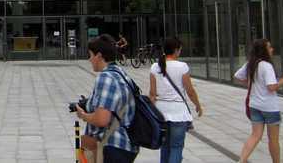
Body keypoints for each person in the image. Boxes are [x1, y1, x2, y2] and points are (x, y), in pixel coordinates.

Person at [75, 34, 139, 163]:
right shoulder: (120, 73)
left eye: (90, 55)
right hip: (125, 146)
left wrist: (83, 115)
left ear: (99, 56)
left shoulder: (106, 78)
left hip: (112, 146)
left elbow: (102, 120)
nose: (89, 60)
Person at [234, 39, 283, 163]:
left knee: (255, 135)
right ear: (263, 50)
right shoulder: (266, 66)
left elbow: (237, 76)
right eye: (269, 47)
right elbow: (272, 87)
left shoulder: (251, 63)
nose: (272, 49)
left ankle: (241, 160)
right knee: (273, 139)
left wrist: (250, 83)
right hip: (269, 108)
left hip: (254, 106)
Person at [149, 38, 203, 163]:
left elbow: (152, 94)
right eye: (180, 50)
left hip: (161, 113)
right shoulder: (182, 67)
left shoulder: (155, 67)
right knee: (176, 147)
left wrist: (151, 112)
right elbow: (190, 91)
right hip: (178, 113)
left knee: (164, 146)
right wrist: (198, 105)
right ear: (176, 50)